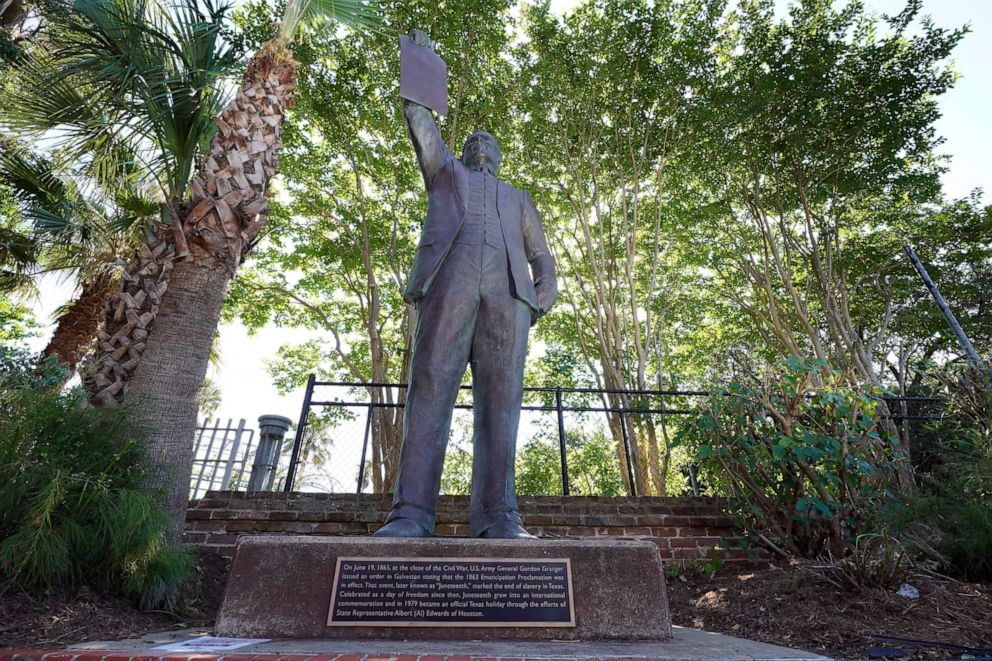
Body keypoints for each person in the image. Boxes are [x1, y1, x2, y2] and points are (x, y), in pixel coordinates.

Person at [374, 29, 558, 539]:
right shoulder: (446, 174)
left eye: (488, 142)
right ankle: (410, 513)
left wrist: (545, 290)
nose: (479, 144)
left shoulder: (519, 198)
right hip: (449, 285)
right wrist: (421, 68)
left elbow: (542, 254)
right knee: (430, 386)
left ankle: (500, 516)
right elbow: (421, 126)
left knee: (503, 400)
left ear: (498, 157)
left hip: (509, 298)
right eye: (473, 140)